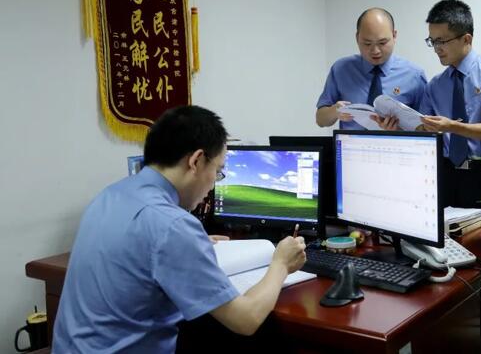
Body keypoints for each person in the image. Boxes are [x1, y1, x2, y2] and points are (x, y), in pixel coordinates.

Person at [52, 106, 306, 354]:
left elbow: (139, 246)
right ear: (196, 161)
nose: (213, 184)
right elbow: (246, 320)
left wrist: (191, 243)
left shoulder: (110, 195)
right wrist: (281, 264)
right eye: (218, 171)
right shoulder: (172, 227)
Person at [376, 0, 481, 217]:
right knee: (448, 238)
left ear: (466, 39)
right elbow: (425, 132)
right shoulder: (435, 85)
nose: (436, 48)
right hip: (446, 176)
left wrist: (452, 127)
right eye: (432, 41)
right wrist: (395, 127)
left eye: (442, 41)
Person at [316, 7, 427, 129]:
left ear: (394, 36)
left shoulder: (414, 76)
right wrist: (334, 111)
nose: (375, 51)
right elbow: (320, 120)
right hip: (349, 141)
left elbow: (425, 129)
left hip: (395, 142)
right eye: (367, 43)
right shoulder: (341, 69)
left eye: (382, 43)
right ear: (357, 38)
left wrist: (397, 130)